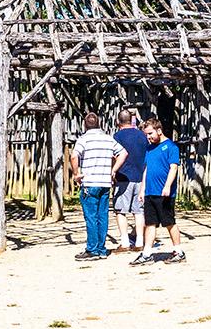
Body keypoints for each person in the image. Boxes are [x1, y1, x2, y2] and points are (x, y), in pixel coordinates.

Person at [65, 112, 126, 261]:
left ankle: (92, 249)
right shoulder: (108, 139)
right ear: (99, 124)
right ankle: (101, 248)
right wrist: (113, 170)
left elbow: (74, 156)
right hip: (105, 182)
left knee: (91, 217)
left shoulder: (84, 139)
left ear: (85, 125)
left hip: (90, 183)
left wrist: (76, 173)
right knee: (102, 216)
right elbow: (124, 153)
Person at [134, 119, 186, 265]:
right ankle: (147, 254)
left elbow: (173, 168)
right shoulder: (149, 149)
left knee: (169, 222)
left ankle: (179, 251)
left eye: (150, 133)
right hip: (150, 192)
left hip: (164, 193)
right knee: (150, 223)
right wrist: (142, 190)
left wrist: (167, 186)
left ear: (159, 130)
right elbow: (147, 170)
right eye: (146, 135)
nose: (148, 137)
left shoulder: (171, 147)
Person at [110, 109, 150, 252]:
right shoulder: (142, 136)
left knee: (120, 211)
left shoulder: (117, 136)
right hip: (140, 178)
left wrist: (113, 171)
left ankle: (125, 243)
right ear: (131, 121)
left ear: (118, 121)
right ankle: (139, 242)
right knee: (138, 212)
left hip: (123, 178)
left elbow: (115, 156)